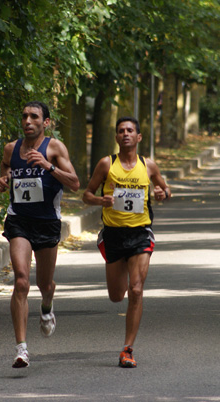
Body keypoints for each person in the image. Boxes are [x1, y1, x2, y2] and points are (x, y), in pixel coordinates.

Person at [0, 101, 80, 368]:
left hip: (46, 222)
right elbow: (5, 173)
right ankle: (22, 349)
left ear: (46, 122)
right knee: (21, 281)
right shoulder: (11, 149)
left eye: (34, 117)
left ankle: (47, 305)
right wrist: (2, 182)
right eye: (24, 116)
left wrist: (48, 166)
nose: (28, 121)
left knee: (45, 284)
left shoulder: (54, 148)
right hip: (19, 220)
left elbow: (75, 184)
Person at [82, 116, 170, 368]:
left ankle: (127, 349)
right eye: (121, 131)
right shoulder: (106, 164)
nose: (125, 134)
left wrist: (163, 193)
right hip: (113, 234)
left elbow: (165, 190)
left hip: (141, 233)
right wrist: (101, 201)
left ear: (139, 137)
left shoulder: (148, 165)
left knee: (136, 290)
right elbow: (86, 195)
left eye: (130, 130)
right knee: (115, 296)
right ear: (117, 137)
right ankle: (127, 342)